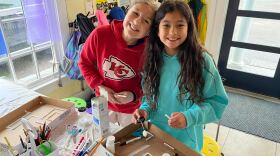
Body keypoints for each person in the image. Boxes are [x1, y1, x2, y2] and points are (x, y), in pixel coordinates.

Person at [132, 0, 228, 153]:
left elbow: (216, 103)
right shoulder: (152, 58)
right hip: (156, 136)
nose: (173, 32)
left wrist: (188, 117)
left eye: (180, 25)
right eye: (166, 25)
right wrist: (144, 110)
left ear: (189, 28)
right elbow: (150, 97)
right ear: (157, 29)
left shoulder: (202, 61)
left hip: (187, 142)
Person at [78, 0, 158, 127]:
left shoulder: (150, 50)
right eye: (135, 13)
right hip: (102, 103)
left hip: (133, 110)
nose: (137, 21)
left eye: (146, 21)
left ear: (150, 31)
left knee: (130, 144)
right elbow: (84, 63)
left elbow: (150, 82)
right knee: (103, 142)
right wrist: (99, 86)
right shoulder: (100, 35)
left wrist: (133, 95)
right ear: (126, 13)